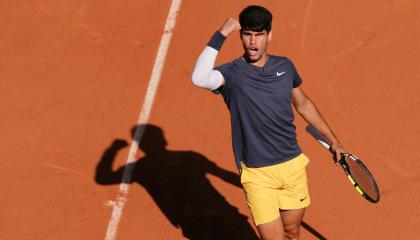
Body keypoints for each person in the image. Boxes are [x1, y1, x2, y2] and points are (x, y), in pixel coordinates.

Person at [191, 5, 345, 240]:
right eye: (248, 34)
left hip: (292, 166)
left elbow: (303, 104)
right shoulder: (231, 75)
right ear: (241, 35)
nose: (253, 42)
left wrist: (333, 140)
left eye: (259, 35)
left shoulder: (285, 66)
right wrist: (220, 35)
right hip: (258, 173)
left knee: (292, 233)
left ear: (269, 35)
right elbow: (199, 77)